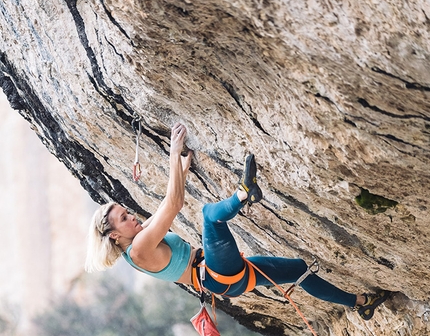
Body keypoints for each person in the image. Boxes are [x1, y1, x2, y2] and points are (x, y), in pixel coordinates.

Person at [85, 123, 388, 320]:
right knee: (209, 217)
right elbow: (175, 204)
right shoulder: (138, 248)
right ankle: (243, 195)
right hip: (216, 274)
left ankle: (359, 302)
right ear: (113, 236)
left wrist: (182, 165)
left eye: (128, 212)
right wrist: (173, 155)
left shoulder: (136, 244)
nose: (132, 216)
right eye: (124, 218)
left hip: (225, 278)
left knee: (299, 270)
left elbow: (167, 203)